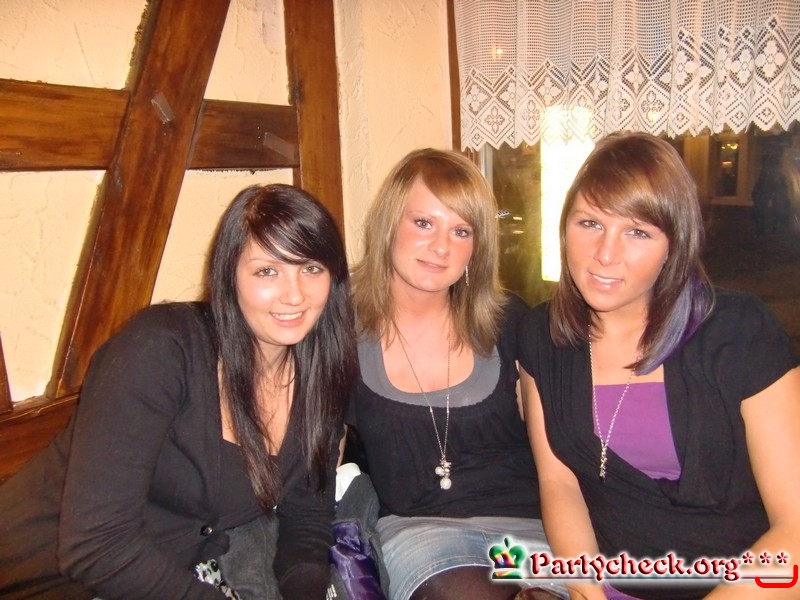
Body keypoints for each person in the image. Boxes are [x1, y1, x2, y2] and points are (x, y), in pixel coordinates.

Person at [0, 184, 358, 599]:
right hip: (43, 576)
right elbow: (96, 546)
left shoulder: (321, 375)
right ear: (229, 276)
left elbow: (307, 519)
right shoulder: (159, 349)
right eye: (267, 271)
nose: (294, 294)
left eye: (311, 268)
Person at [519, 132, 800, 600]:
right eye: (590, 223)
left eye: (638, 232)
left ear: (674, 244)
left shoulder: (740, 333)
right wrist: (587, 590)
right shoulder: (542, 336)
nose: (605, 253)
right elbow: (560, 483)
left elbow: (795, 529)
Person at [346, 148, 566, 600]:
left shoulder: (510, 323)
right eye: (423, 223)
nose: (441, 247)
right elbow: (315, 458)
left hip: (532, 530)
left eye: (461, 231)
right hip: (422, 534)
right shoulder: (341, 330)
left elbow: (559, 459)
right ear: (389, 224)